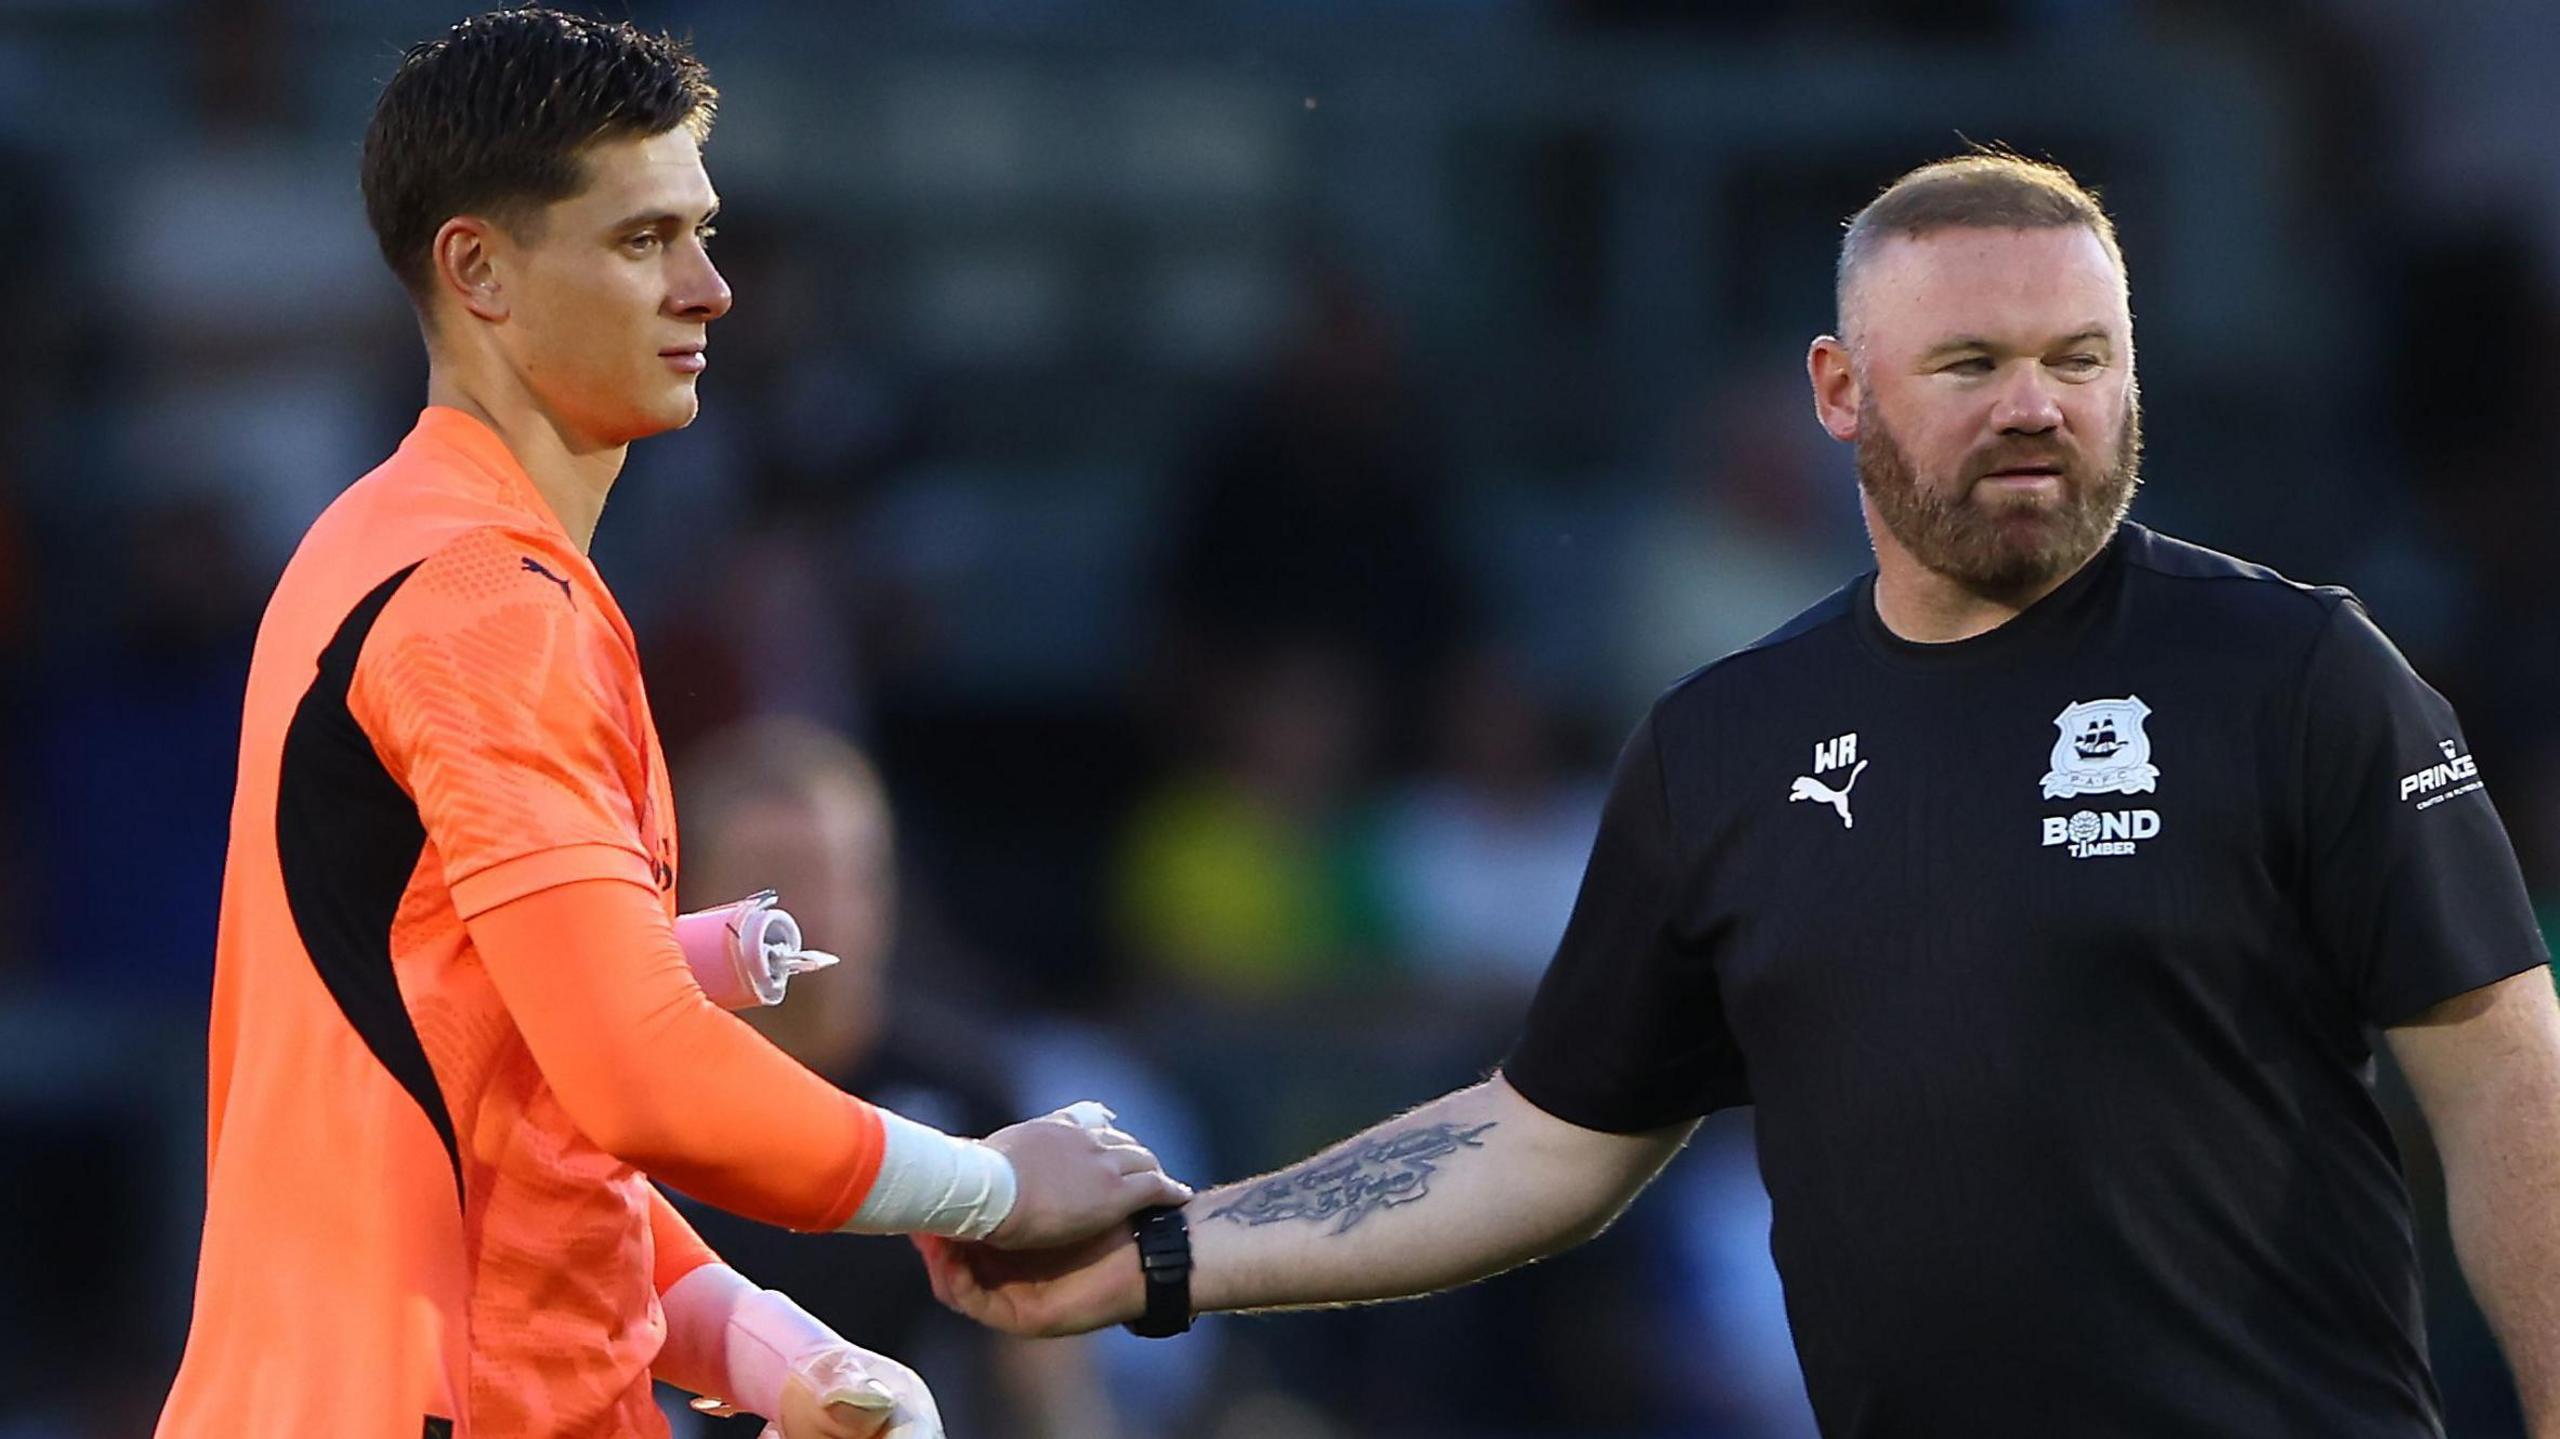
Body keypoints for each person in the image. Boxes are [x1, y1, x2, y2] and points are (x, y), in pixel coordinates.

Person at [917, 150, 2560, 1437]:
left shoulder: (2300, 676)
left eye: (2083, 356)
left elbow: (2508, 1077)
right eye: (1973, 360)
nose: (2037, 406)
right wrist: (1172, 1252)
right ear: (1840, 390)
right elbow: (1543, 1136)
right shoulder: (1724, 743)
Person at [151, 12, 1187, 1439]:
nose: (709, 288)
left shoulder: (391, 545)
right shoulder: (484, 601)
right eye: (644, 241)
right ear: (478, 271)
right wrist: (992, 1183)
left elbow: (519, 1113)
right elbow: (640, 1068)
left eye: (703, 232)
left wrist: (766, 1339)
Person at [672, 715, 1126, 1439]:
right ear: (694, 897)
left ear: (883, 892)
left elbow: (1049, 1388)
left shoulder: (968, 1097)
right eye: (774, 885)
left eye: (837, 875)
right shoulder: (631, 1099)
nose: (809, 915)